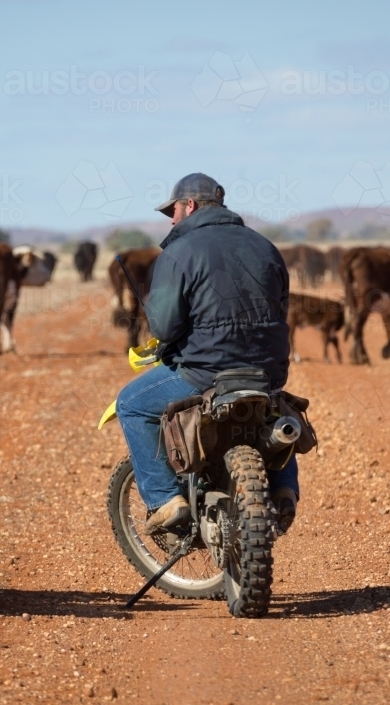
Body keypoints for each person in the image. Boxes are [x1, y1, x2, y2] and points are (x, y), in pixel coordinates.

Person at [115, 173, 299, 534]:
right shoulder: (265, 246)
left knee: (131, 404)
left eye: (174, 210)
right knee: (276, 408)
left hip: (205, 373)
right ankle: (284, 490)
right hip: (268, 369)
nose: (171, 219)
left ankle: (165, 499)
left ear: (191, 206)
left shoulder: (180, 251)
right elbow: (281, 310)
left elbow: (165, 328)